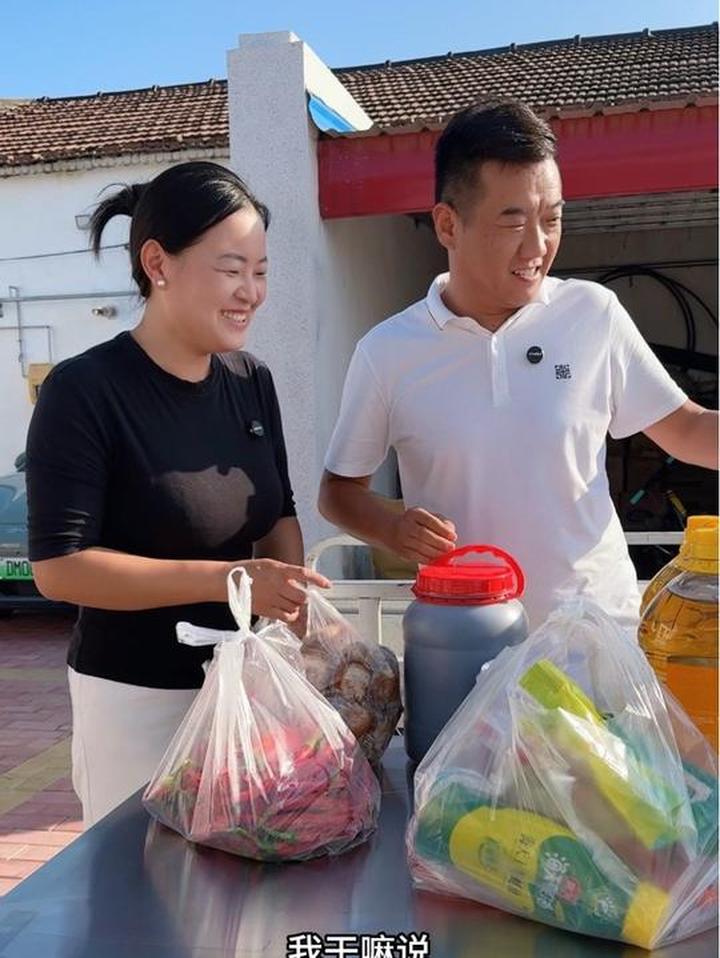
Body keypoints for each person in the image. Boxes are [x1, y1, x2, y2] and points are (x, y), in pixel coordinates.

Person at [319, 99, 718, 632]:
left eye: (552, 219)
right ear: (447, 225)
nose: (538, 246)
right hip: (468, 641)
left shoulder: (592, 314)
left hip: (597, 638)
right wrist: (392, 528)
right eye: (512, 223)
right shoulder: (387, 351)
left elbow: (687, 429)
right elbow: (339, 492)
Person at [26, 161, 329, 827]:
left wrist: (289, 620)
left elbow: (276, 513)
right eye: (231, 269)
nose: (251, 292)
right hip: (136, 700)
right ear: (158, 263)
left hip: (247, 688)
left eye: (261, 271)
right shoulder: (85, 391)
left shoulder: (251, 381)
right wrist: (230, 581)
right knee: (141, 878)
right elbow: (60, 568)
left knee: (248, 869)